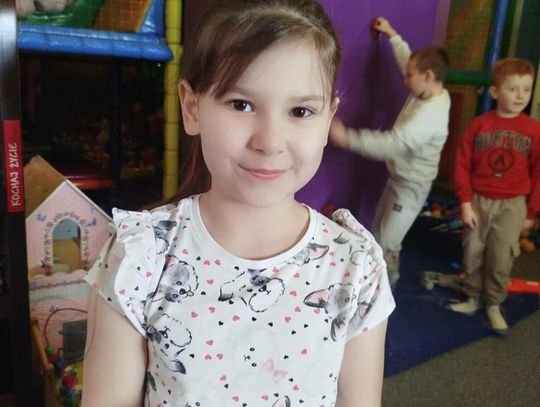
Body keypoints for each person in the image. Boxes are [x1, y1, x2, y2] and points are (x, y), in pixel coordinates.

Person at [81, 1, 395, 406]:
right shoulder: (141, 256)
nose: (270, 142)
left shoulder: (356, 268)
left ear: (327, 119)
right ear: (192, 108)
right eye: (241, 104)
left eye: (301, 111)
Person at [329, 17, 451, 287]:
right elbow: (409, 61)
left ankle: (387, 289)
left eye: (409, 76)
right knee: (379, 236)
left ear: (428, 76)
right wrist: (392, 34)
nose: (405, 80)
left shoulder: (429, 115)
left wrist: (346, 138)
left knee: (385, 243)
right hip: (398, 179)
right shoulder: (429, 89)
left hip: (410, 187)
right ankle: (381, 281)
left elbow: (393, 144)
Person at [449, 57, 540, 335]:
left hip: (512, 204)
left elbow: (538, 173)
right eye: (513, 89)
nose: (520, 95)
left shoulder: (533, 130)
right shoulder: (479, 125)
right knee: (473, 250)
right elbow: (462, 165)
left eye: (526, 89)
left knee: (501, 256)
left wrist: (530, 212)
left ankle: (494, 303)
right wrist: (466, 202)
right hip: (478, 200)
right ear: (495, 92)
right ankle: (473, 296)